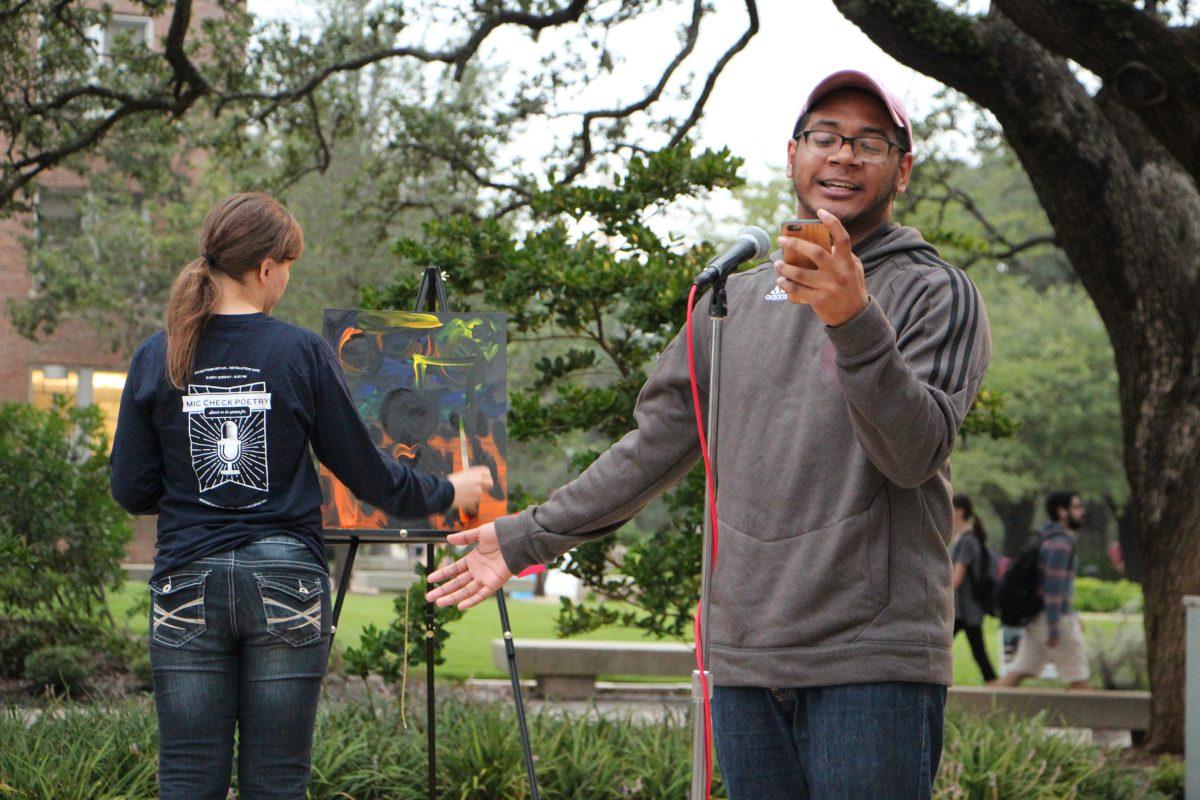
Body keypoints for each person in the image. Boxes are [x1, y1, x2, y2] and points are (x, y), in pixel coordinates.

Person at [428, 69, 991, 799]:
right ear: (793, 156)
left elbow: (914, 452)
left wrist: (853, 320)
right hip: (746, 662)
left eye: (869, 142)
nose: (844, 155)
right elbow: (650, 451)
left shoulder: (934, 293)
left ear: (902, 170)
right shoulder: (733, 305)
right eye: (825, 137)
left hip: (870, 664)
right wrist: (524, 537)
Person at [109, 192, 493, 799]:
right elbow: (367, 474)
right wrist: (448, 488)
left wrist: (191, 489)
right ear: (266, 267)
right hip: (286, 579)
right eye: (287, 267)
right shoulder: (299, 353)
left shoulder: (157, 354)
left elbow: (131, 488)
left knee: (186, 777)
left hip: (185, 578)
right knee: (277, 781)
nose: (286, 280)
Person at [998, 491, 1090, 689]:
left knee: (1019, 671)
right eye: (1076, 507)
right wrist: (1055, 627)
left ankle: (986, 709)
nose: (1081, 512)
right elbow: (1053, 589)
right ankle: (1093, 720)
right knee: (1079, 680)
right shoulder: (1060, 544)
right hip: (1055, 620)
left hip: (1040, 618)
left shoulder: (1046, 537)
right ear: (1062, 511)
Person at [950, 494, 997, 683]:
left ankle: (996, 687)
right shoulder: (967, 538)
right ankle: (994, 685)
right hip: (965, 610)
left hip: (966, 609)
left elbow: (957, 578)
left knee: (978, 654)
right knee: (979, 653)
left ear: (959, 511)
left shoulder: (967, 540)